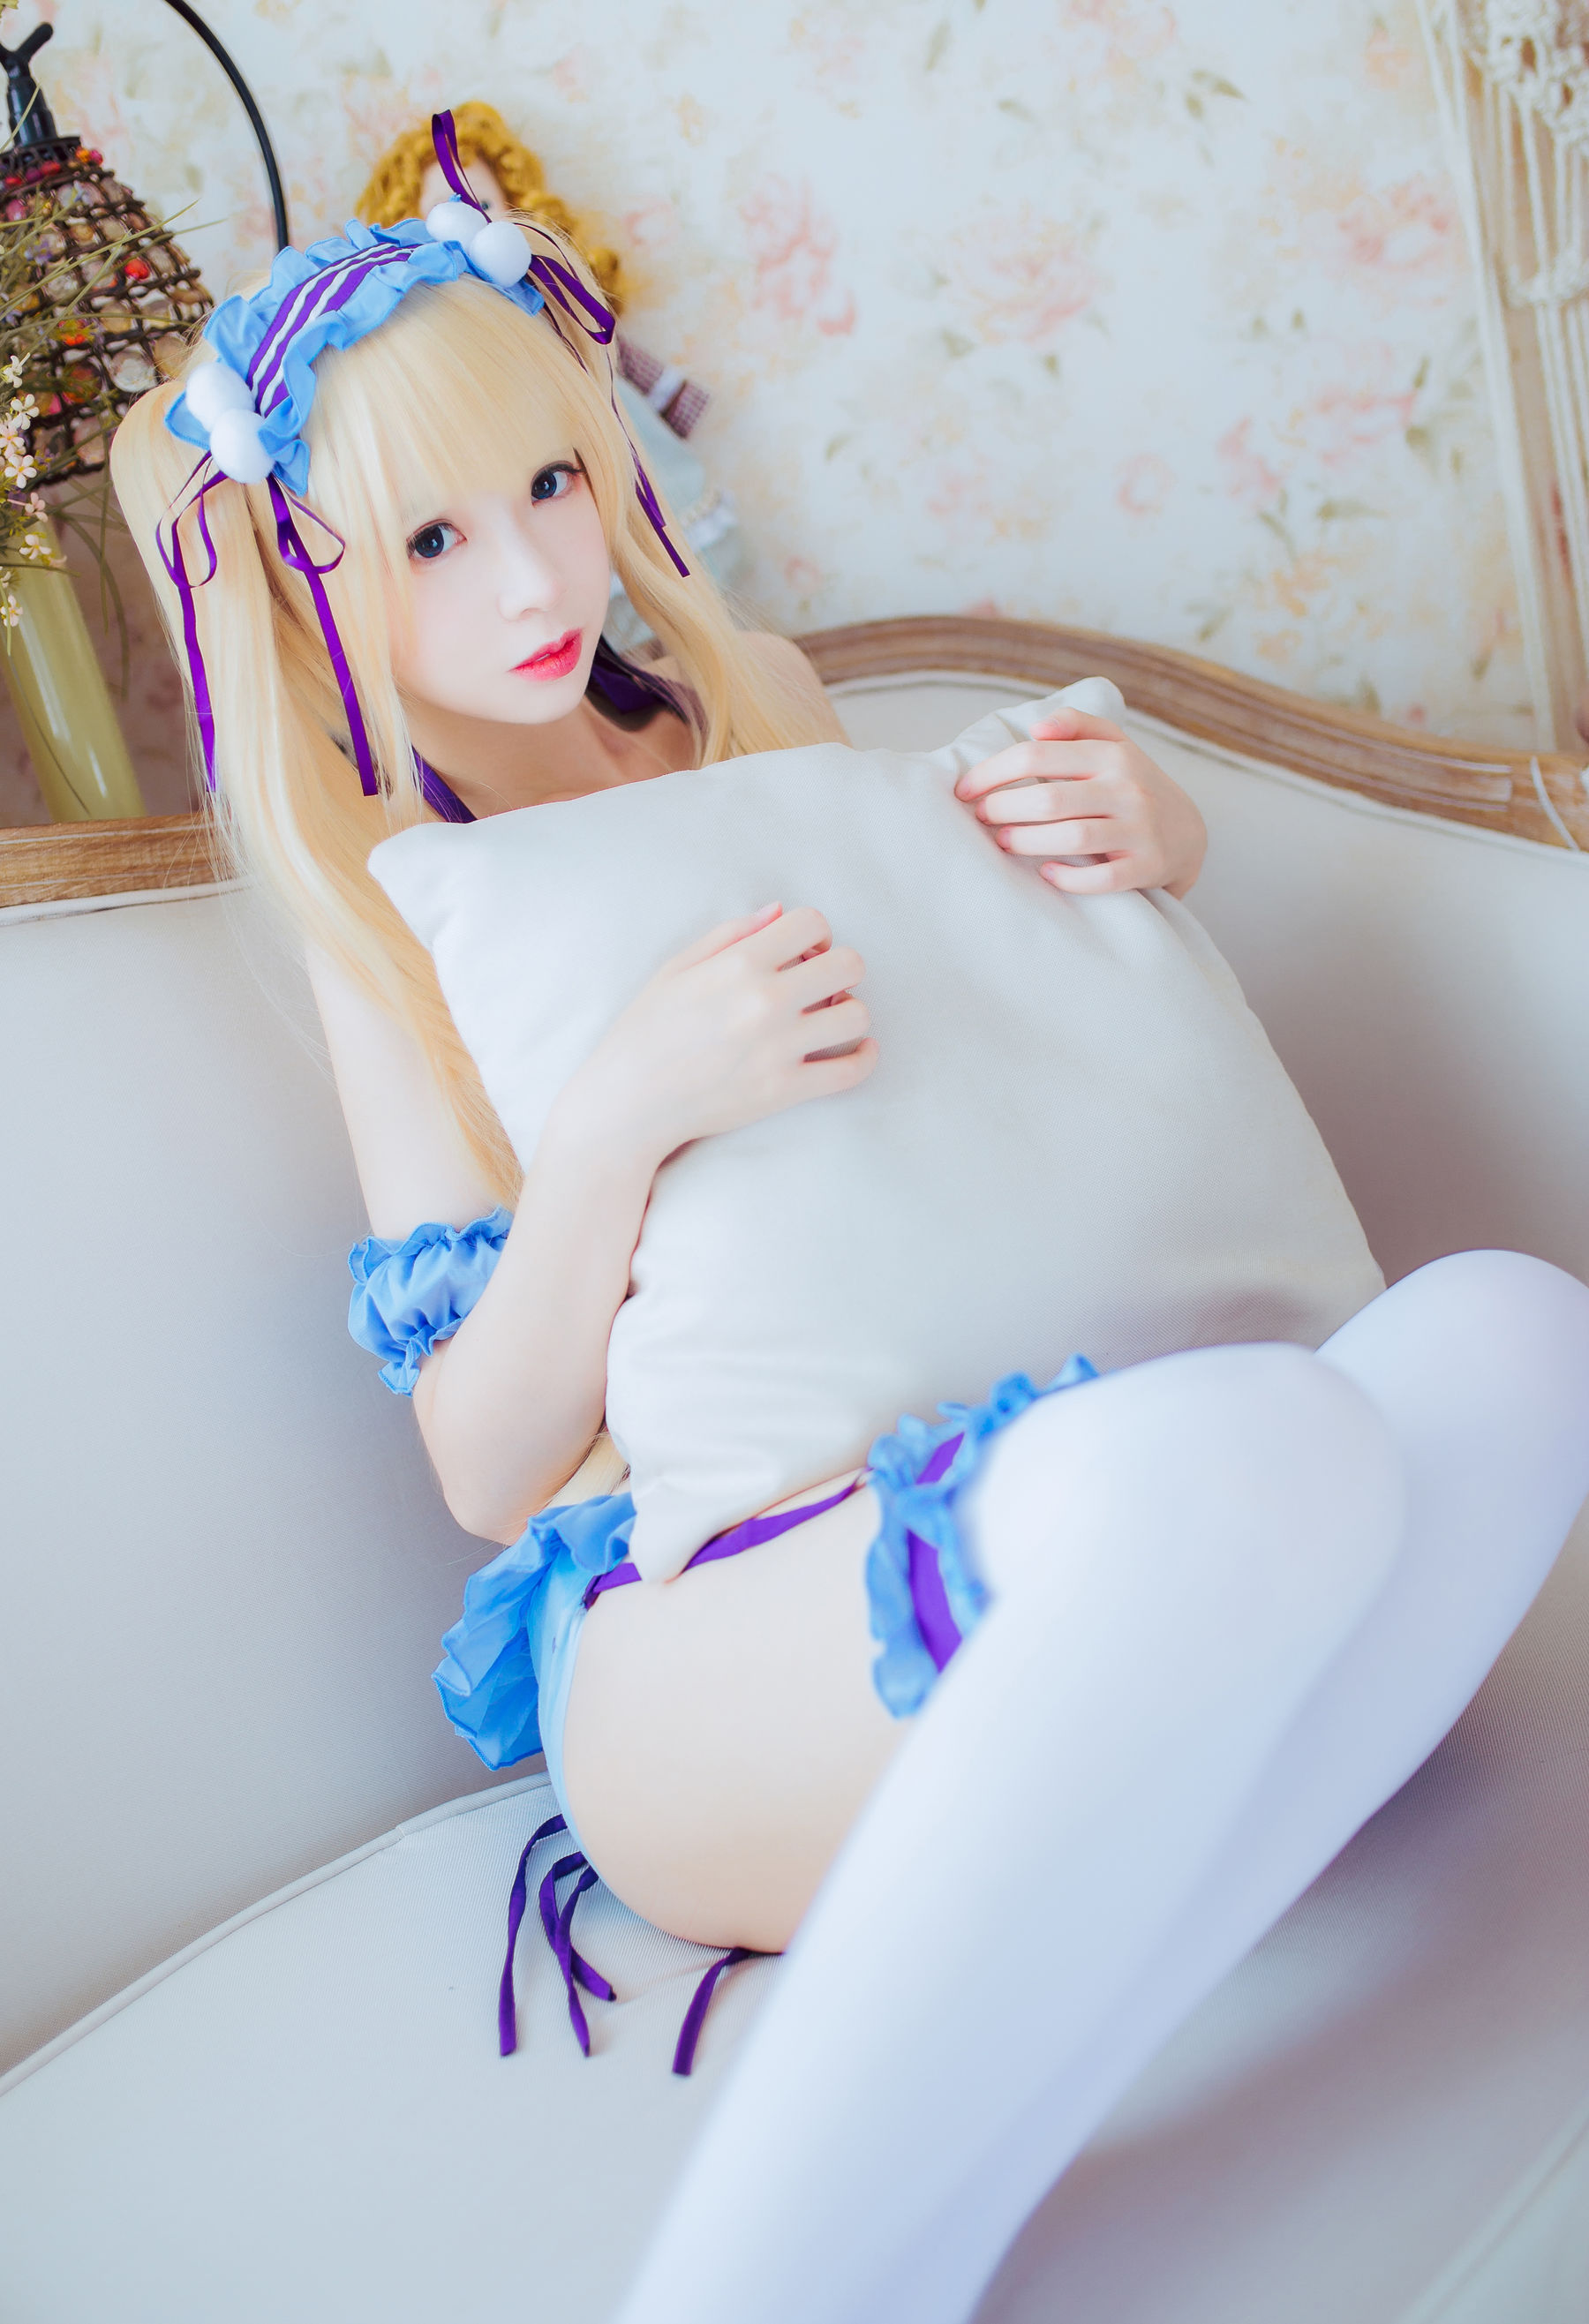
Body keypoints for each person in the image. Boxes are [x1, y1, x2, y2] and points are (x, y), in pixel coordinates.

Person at [112, 116, 1589, 2324]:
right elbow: (487, 1465)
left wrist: (1152, 848)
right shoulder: (392, 901)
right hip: (715, 1631)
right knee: (1237, 1456)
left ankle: (1184, 1840)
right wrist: (623, 1120)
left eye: (551, 483)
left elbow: (1012, 1094)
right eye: (430, 539)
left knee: (1512, 1333)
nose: (534, 578)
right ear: (306, 585)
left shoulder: (763, 714)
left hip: (1064, 1466)